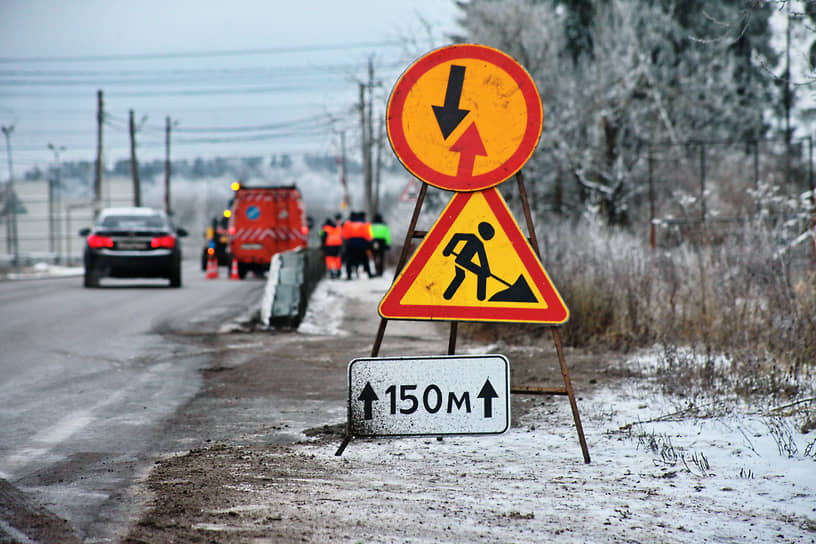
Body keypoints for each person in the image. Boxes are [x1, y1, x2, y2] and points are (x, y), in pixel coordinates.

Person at [341, 211, 373, 279]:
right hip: (362, 244)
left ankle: (349, 275)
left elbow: (345, 235)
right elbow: (368, 235)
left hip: (351, 244)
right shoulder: (364, 223)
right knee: (365, 259)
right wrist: (369, 242)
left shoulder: (347, 224)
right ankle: (369, 274)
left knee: (349, 260)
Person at [369, 213, 391, 277]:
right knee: (381, 256)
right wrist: (388, 244)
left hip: (374, 242)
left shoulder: (371, 225)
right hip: (382, 243)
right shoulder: (384, 225)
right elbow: (387, 236)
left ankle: (376, 269)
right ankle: (380, 271)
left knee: (375, 256)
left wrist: (369, 243)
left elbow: (369, 234)